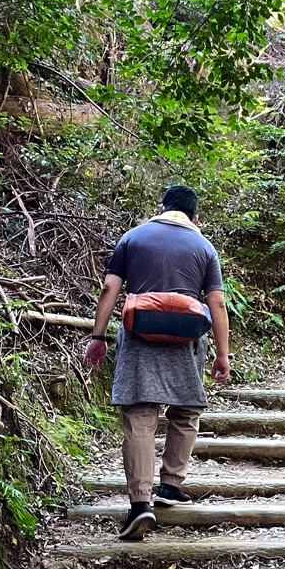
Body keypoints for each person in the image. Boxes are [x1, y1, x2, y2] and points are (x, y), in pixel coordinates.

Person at [83, 185, 231, 539]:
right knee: (186, 410)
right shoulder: (204, 247)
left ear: (161, 207)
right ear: (195, 218)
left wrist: (98, 336)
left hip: (139, 339)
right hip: (186, 341)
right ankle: (170, 484)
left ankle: (139, 503)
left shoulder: (133, 238)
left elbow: (109, 289)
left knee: (139, 417)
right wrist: (223, 353)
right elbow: (217, 304)